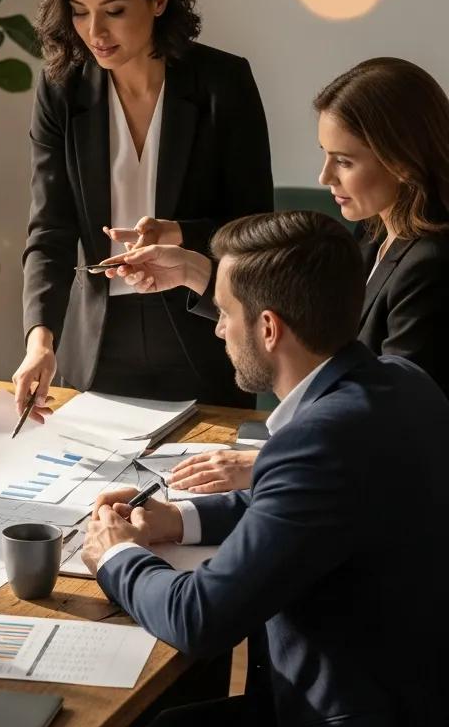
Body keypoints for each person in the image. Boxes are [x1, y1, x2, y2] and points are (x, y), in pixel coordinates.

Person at [82, 211, 449, 727]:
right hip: (411, 704)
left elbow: (198, 618)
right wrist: (176, 518)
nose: (219, 331)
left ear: (269, 328)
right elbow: (302, 506)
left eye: (226, 314)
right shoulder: (402, 381)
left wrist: (115, 554)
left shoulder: (316, 442)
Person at [106, 57, 449, 494]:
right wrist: (193, 271)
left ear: (402, 160)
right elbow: (305, 324)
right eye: (325, 155)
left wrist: (268, 463)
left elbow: (394, 418)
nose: (324, 176)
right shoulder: (373, 231)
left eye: (344, 161)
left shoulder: (433, 265)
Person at [14, 0, 272, 423]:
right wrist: (40, 341)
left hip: (204, 334)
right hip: (96, 345)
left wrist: (178, 234)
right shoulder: (61, 89)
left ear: (159, 0)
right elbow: (50, 229)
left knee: (201, 469)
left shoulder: (223, 83)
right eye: (80, 12)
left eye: (114, 11)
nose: (95, 32)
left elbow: (256, 230)